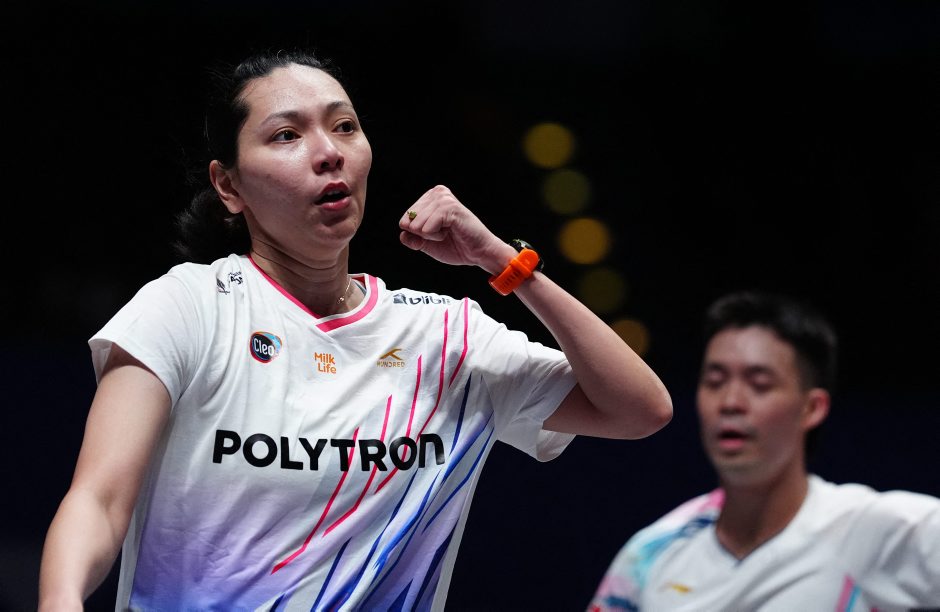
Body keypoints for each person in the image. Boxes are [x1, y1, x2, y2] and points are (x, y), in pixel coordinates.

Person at [38, 48, 672, 611]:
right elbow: (99, 498)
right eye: (286, 135)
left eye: (344, 126)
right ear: (228, 186)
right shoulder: (190, 307)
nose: (328, 152)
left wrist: (501, 261)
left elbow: (639, 409)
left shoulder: (446, 336)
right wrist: (61, 599)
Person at [589, 290, 940, 611]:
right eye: (714, 382)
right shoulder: (651, 555)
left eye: (759, 384)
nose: (730, 402)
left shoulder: (869, 531)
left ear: (812, 408)